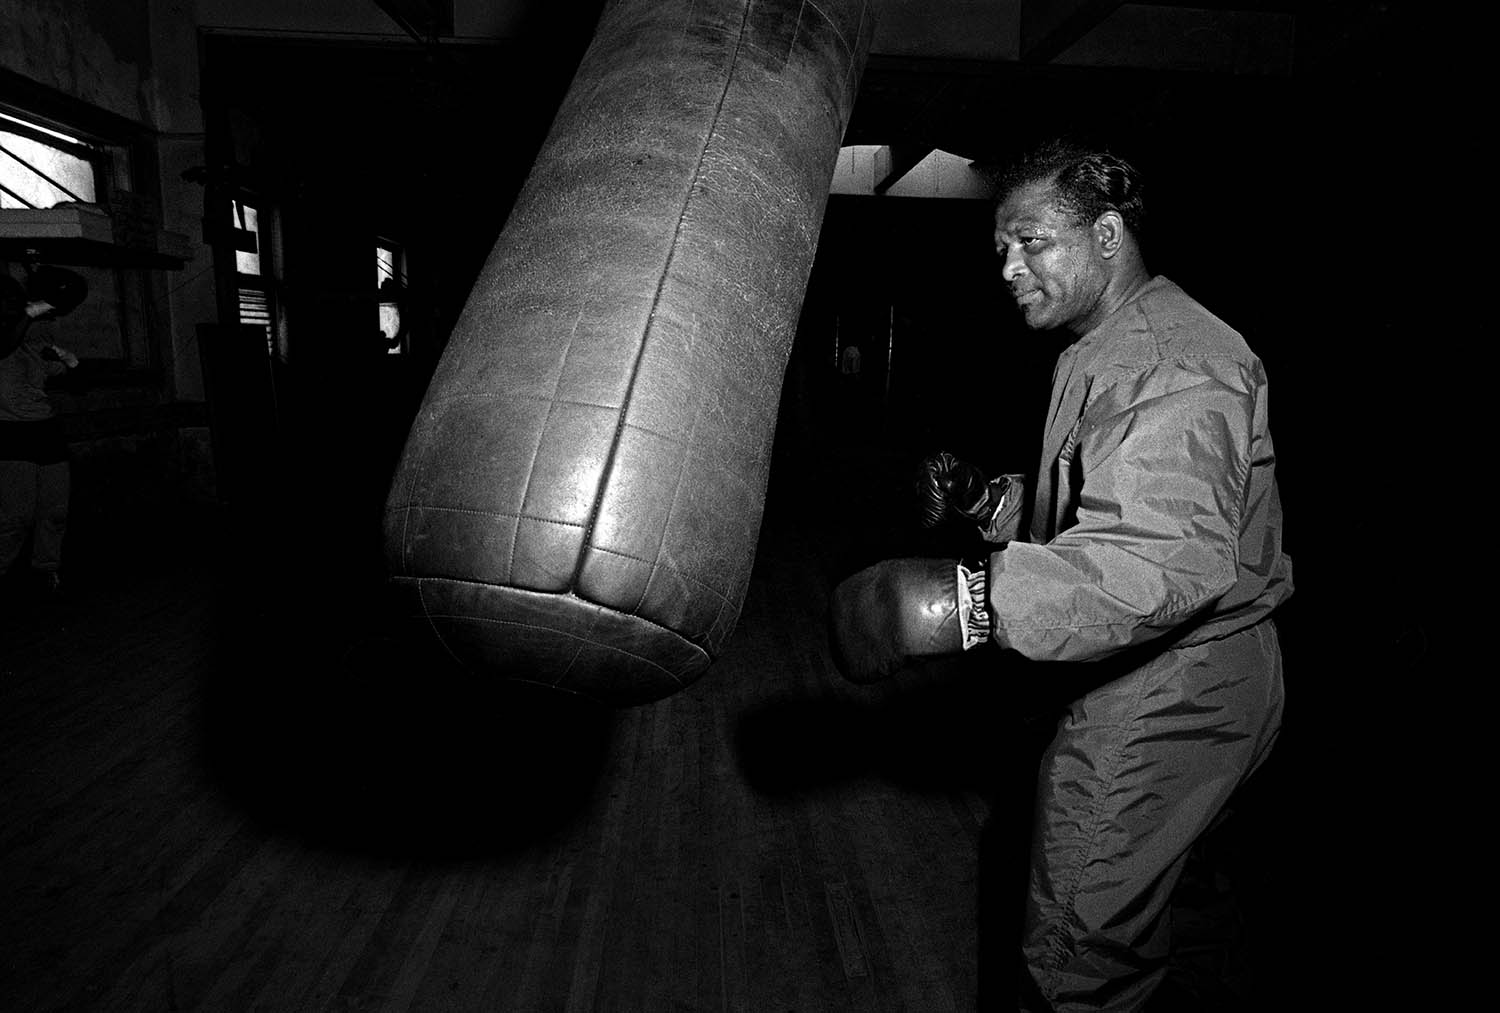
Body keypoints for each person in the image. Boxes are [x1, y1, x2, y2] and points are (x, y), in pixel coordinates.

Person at [829, 139, 1292, 1011]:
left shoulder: (1175, 357)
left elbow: (1160, 560)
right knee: (1182, 911)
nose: (1008, 268)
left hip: (1167, 690)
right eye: (1001, 249)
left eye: (1032, 242)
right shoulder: (1111, 344)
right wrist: (987, 502)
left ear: (1108, 234)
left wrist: (964, 600)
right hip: (1204, 674)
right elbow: (1093, 519)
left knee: (1077, 956)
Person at [1, 264, 88, 600]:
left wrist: (71, 362)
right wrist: (26, 312)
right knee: (15, 517)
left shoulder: (38, 335)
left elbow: (74, 383)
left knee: (55, 511)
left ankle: (46, 569)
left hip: (44, 432)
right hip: (9, 432)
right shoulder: (7, 336)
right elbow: (3, 345)